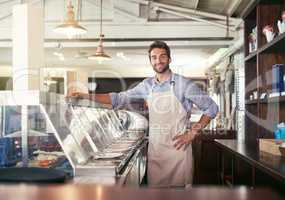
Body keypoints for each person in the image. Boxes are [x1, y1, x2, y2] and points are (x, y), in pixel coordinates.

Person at [70, 41, 218, 187]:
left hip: (177, 153)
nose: (158, 61)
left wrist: (191, 133)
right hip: (156, 153)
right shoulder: (147, 86)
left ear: (169, 59)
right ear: (150, 61)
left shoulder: (183, 84)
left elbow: (211, 108)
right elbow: (119, 98)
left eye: (162, 56)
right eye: (154, 57)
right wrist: (86, 95)